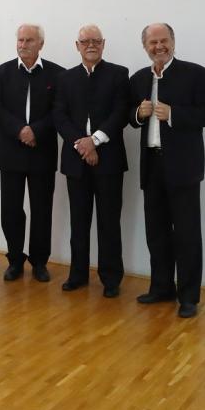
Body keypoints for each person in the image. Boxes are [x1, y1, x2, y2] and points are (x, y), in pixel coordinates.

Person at [129, 23, 205, 318]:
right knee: (156, 232)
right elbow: (129, 116)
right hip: (151, 165)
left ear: (173, 41)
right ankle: (161, 288)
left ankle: (189, 297)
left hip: (183, 167)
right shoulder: (139, 78)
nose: (159, 46)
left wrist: (174, 114)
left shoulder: (196, 74)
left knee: (187, 234)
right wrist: (138, 114)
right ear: (145, 46)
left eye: (164, 40)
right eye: (153, 42)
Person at [53, 24, 129, 298]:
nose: (91, 45)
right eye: (85, 41)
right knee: (79, 221)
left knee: (109, 222)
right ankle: (78, 274)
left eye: (96, 40)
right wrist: (82, 145)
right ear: (77, 46)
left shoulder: (119, 74)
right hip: (76, 160)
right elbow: (59, 116)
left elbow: (121, 113)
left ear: (103, 44)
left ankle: (111, 279)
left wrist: (94, 141)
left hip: (109, 161)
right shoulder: (65, 78)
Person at [0, 24, 64, 282]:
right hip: (11, 152)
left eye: (29, 40)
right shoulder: (1, 72)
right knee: (11, 210)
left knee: (42, 210)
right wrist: (20, 131)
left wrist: (35, 131)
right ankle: (14, 259)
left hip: (42, 152)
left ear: (41, 44)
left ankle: (39, 262)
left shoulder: (58, 74)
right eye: (20, 40)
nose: (23, 45)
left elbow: (59, 111)